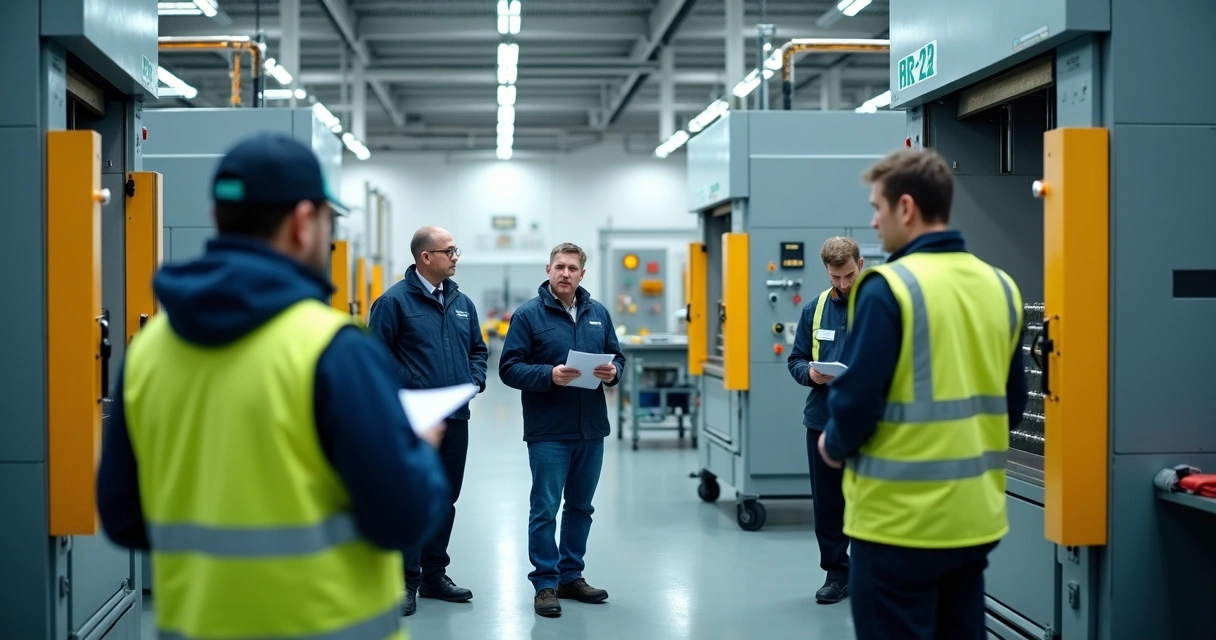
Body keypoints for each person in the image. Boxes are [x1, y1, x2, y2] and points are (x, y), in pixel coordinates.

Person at [96, 132, 451, 640]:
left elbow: (124, 520)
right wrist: (416, 449)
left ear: (219, 218)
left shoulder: (149, 352)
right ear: (304, 223)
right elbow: (402, 520)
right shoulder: (332, 350)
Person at [819, 148, 1028, 640]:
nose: (873, 222)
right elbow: (1013, 405)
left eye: (877, 208)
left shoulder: (889, 286)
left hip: (898, 522)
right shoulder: (1001, 286)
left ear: (906, 208)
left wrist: (832, 443)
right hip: (974, 520)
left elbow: (856, 402)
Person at [498, 242, 626, 618]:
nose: (565, 273)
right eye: (559, 267)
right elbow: (509, 368)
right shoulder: (528, 316)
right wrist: (549, 375)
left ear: (582, 274)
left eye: (572, 268)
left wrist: (615, 371)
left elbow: (617, 356)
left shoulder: (598, 313)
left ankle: (571, 576)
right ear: (548, 270)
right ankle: (545, 584)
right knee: (545, 509)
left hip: (591, 430)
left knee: (581, 507)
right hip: (549, 431)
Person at [368, 226, 489, 616]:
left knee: (445, 498)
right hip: (414, 419)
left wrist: (475, 380)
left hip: (456, 417)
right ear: (426, 257)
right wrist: (418, 386)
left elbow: (478, 350)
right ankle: (405, 580)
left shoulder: (462, 303)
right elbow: (377, 357)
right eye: (449, 250)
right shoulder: (394, 302)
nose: (456, 256)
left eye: (456, 250)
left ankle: (435, 574)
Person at [787, 236, 863, 605]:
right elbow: (796, 359)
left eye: (848, 275)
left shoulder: (880, 306)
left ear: (860, 264)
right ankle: (837, 574)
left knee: (871, 499)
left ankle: (875, 571)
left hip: (869, 422)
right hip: (822, 420)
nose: (843, 285)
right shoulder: (814, 309)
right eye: (836, 277)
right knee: (828, 503)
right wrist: (810, 374)